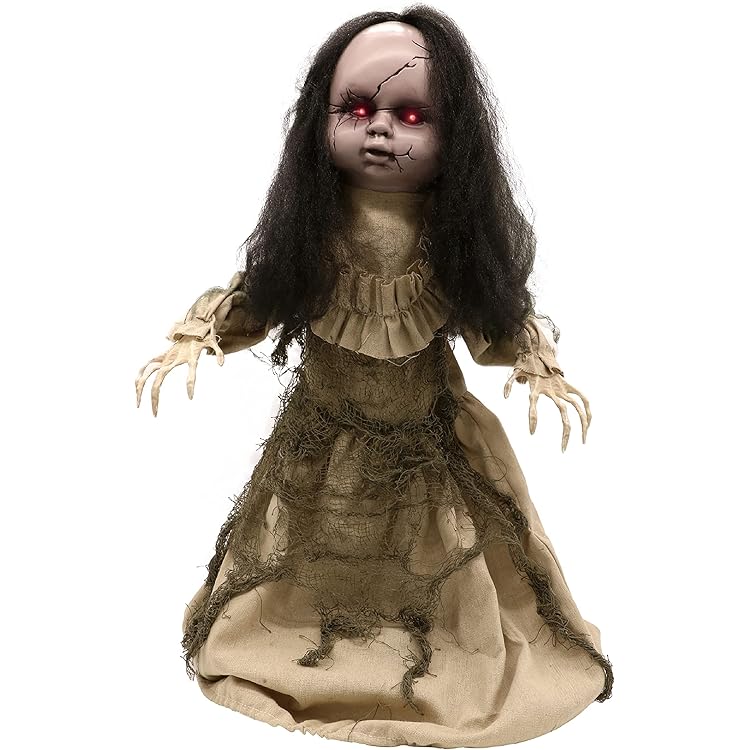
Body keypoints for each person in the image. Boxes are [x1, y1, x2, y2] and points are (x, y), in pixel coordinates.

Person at [136, 7, 612, 747]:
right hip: (324, 432)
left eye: (412, 115)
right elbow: (261, 297)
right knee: (316, 551)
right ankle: (320, 647)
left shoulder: (450, 239)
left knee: (432, 554)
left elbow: (489, 320)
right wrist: (199, 338)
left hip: (426, 440)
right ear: (319, 121)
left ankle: (432, 654)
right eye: (356, 109)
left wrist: (533, 363)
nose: (381, 130)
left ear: (456, 135)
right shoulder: (313, 231)